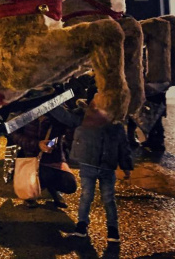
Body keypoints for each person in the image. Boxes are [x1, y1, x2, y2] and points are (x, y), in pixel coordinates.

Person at [64, 99, 133, 243]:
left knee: (107, 198)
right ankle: (82, 226)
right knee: (87, 196)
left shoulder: (115, 122)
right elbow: (69, 120)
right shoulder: (85, 117)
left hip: (105, 165)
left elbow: (123, 145)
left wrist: (126, 165)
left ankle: (112, 230)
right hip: (90, 164)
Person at [9, 114, 77, 208]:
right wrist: (37, 144)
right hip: (30, 158)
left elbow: (62, 137)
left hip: (53, 159)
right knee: (37, 179)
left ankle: (52, 189)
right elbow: (15, 135)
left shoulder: (58, 113)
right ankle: (30, 195)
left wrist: (52, 143)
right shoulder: (26, 113)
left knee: (69, 184)